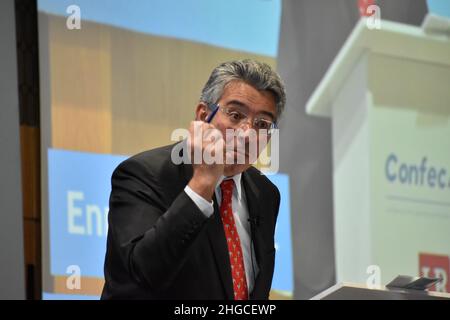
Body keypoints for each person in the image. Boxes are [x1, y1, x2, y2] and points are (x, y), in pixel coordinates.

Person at [101, 59, 286, 300]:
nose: (247, 134)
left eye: (262, 124)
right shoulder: (143, 174)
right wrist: (201, 186)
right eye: (235, 115)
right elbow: (136, 279)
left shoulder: (265, 194)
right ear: (203, 115)